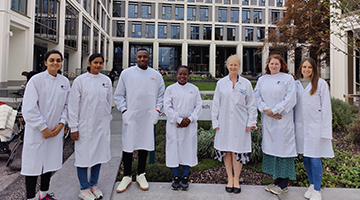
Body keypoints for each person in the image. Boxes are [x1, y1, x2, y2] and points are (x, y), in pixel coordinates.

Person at [114, 48, 165, 193]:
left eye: (145, 57)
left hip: (147, 116)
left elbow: (161, 94)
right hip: (131, 115)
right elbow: (119, 95)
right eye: (139, 57)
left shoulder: (155, 75)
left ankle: (141, 174)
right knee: (128, 146)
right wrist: (124, 110)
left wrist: (157, 110)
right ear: (135, 58)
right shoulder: (127, 73)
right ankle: (127, 176)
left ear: (149, 58)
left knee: (144, 145)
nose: (142, 59)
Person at [21, 50, 70, 200]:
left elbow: (68, 106)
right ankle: (30, 197)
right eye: (52, 60)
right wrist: (42, 127)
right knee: (32, 166)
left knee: (48, 164)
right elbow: (29, 108)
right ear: (45, 62)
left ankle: (43, 194)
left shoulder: (64, 82)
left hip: (55, 130)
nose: (55, 63)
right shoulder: (36, 80)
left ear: (61, 62)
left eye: (58, 60)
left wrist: (62, 123)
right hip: (37, 131)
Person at [68, 53, 112, 200]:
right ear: (89, 63)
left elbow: (108, 103)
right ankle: (84, 187)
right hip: (84, 126)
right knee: (82, 157)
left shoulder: (106, 80)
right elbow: (73, 106)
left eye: (100, 63)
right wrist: (73, 127)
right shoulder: (80, 81)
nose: (98, 65)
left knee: (98, 156)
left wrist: (107, 123)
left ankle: (94, 184)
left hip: (101, 125)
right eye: (95, 63)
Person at [211, 55, 257, 194]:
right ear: (227, 66)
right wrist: (215, 121)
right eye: (231, 65)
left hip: (240, 122)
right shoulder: (221, 83)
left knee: (238, 150)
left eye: (235, 65)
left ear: (239, 66)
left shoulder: (246, 84)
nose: (233, 67)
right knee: (227, 150)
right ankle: (229, 179)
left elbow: (252, 105)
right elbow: (216, 104)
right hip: (224, 122)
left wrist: (251, 122)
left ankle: (236, 179)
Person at [254, 54, 297, 195]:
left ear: (281, 65)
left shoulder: (288, 79)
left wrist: (275, 110)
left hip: (282, 120)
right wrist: (267, 111)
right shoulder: (262, 79)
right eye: (271, 64)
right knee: (273, 150)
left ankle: (284, 183)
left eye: (276, 64)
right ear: (268, 65)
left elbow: (290, 99)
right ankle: (277, 181)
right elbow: (257, 96)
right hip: (269, 121)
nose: (274, 66)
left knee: (283, 151)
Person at [294, 58, 334, 200]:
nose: (306, 69)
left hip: (316, 127)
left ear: (314, 69)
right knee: (306, 157)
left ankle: (317, 190)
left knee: (315, 158)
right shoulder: (296, 84)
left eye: (309, 67)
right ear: (300, 68)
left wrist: (325, 130)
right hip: (301, 127)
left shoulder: (321, 84)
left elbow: (326, 109)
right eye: (304, 67)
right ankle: (311, 185)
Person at [163, 65, 202, 191]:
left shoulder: (194, 89)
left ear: (188, 75)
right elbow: (167, 107)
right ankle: (175, 177)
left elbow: (198, 106)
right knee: (174, 151)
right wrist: (179, 119)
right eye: (180, 74)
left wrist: (189, 119)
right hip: (175, 126)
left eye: (185, 74)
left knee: (188, 150)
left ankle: (185, 177)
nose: (182, 76)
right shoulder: (170, 89)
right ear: (176, 74)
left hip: (189, 126)